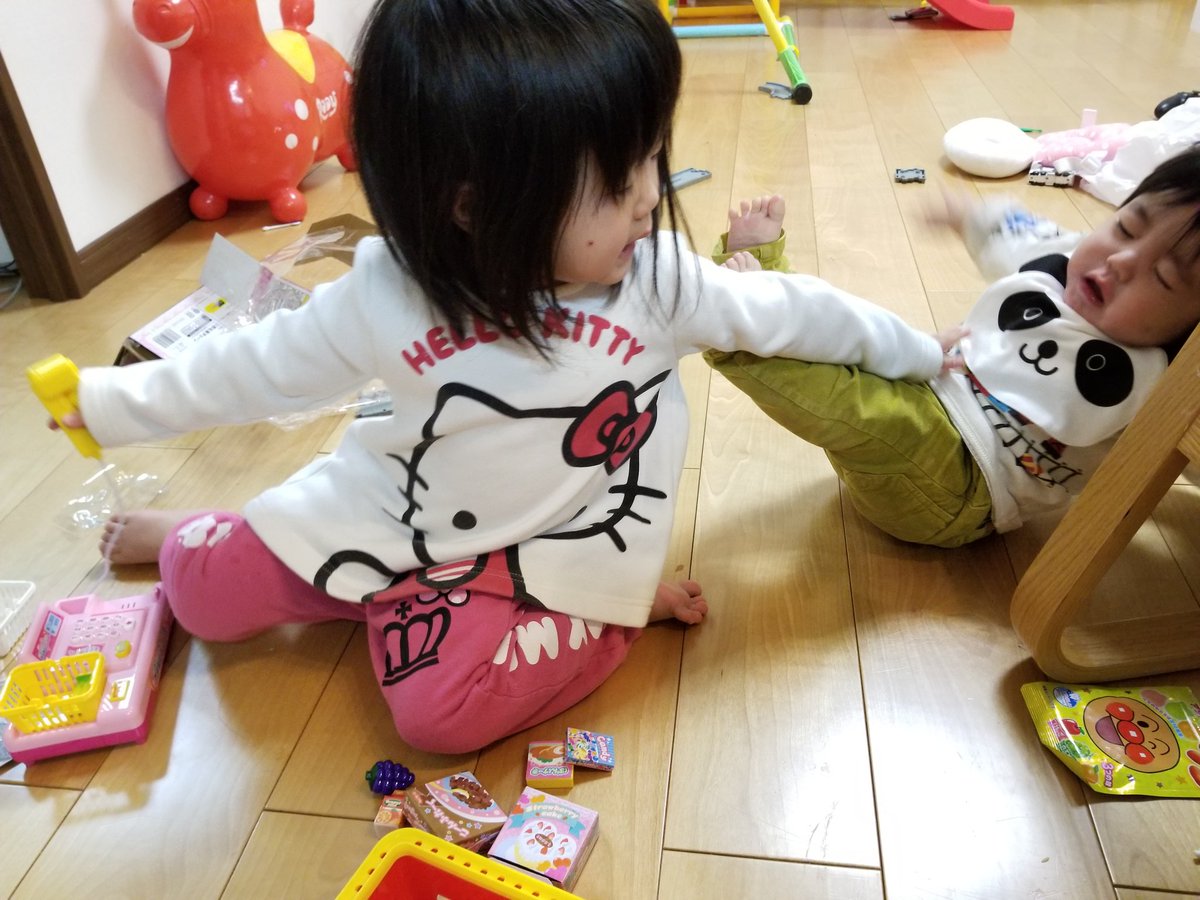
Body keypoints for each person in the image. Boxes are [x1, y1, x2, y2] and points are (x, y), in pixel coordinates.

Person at [53, 0, 949, 754]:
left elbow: (799, 312)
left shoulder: (661, 284)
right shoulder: (387, 291)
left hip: (548, 548)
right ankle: (217, 540)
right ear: (475, 206)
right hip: (385, 516)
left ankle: (605, 612)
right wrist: (108, 404)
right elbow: (251, 371)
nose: (651, 196)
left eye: (652, 156)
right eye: (618, 180)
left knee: (437, 721)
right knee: (201, 599)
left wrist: (916, 351)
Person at [708, 145, 1200, 549]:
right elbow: (1018, 232)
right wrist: (970, 215)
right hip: (932, 386)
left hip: (964, 486)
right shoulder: (1060, 259)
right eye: (1126, 227)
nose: (1121, 261)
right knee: (863, 339)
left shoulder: (1169, 380)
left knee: (853, 402)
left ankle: (732, 320)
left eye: (1163, 277)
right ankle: (767, 284)